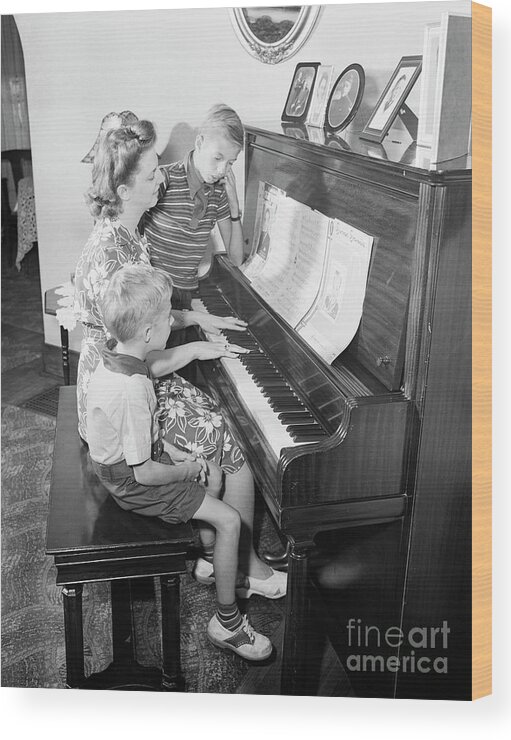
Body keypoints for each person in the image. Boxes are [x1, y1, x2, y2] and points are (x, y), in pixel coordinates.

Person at [74, 118, 286, 601]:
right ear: (125, 188)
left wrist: (194, 317)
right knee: (239, 442)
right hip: (117, 398)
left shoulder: (123, 232)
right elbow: (131, 364)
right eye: (151, 175)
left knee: (228, 417)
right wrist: (192, 343)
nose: (162, 178)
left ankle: (215, 556)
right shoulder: (113, 256)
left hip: (133, 378)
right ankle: (241, 565)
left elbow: (146, 322)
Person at [86, 263, 273, 660]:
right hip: (132, 483)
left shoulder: (115, 357)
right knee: (229, 519)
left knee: (216, 471)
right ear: (150, 333)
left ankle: (209, 562)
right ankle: (228, 623)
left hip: (128, 463)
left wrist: (180, 456)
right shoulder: (133, 389)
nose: (174, 320)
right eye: (168, 315)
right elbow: (144, 472)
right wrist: (186, 467)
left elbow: (139, 432)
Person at [143, 104, 246, 320]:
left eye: (231, 163)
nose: (222, 170)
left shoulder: (219, 193)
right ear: (199, 143)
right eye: (217, 158)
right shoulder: (164, 179)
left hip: (184, 296)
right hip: (151, 296)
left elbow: (236, 258)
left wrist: (234, 207)